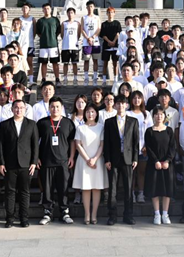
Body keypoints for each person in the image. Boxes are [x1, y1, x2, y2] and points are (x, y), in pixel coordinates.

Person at [0, 99, 39, 228]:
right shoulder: (4, 125)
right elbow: (0, 145)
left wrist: (34, 162)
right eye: (16, 107)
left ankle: (24, 218)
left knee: (24, 192)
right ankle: (10, 218)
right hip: (9, 164)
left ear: (25, 109)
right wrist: (1, 163)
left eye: (21, 107)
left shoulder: (31, 124)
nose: (18, 110)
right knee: (9, 192)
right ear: (12, 109)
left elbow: (35, 144)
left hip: (26, 164)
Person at [36, 97, 76, 225]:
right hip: (46, 161)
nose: (55, 109)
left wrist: (71, 157)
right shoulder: (42, 123)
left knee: (63, 187)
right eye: (52, 106)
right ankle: (48, 212)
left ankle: (64, 212)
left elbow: (72, 141)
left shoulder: (68, 123)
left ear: (62, 108)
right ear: (49, 108)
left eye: (57, 106)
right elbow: (35, 141)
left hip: (63, 161)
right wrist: (36, 157)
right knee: (47, 188)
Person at [103, 95, 139, 225]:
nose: (121, 106)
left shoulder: (133, 121)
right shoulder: (109, 122)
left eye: (123, 103)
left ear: (127, 105)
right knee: (112, 189)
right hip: (113, 159)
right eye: (118, 103)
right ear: (115, 105)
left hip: (128, 159)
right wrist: (107, 159)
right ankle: (112, 216)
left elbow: (136, 142)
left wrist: (135, 158)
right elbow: (106, 142)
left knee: (128, 188)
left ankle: (128, 215)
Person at [73, 103, 107, 224]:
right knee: (86, 188)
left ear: (96, 113)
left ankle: (94, 214)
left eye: (92, 111)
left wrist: (94, 159)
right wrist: (88, 159)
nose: (90, 114)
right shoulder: (80, 128)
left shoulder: (101, 127)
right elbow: (78, 145)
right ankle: (87, 214)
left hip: (97, 160)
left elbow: (102, 145)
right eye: (88, 112)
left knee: (96, 188)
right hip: (84, 160)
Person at [144, 106, 176, 225]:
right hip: (154, 164)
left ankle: (165, 214)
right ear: (153, 116)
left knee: (167, 189)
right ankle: (157, 214)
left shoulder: (169, 130)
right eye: (157, 114)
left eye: (161, 114)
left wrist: (168, 160)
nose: (159, 116)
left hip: (167, 165)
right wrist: (156, 161)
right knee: (155, 189)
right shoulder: (149, 131)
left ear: (164, 116)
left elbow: (172, 147)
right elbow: (149, 148)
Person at [35, 3, 62, 87]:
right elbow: (38, 32)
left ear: (50, 9)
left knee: (55, 63)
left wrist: (52, 37)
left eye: (48, 8)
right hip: (43, 45)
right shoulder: (40, 21)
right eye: (45, 9)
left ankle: (57, 79)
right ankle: (43, 79)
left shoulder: (55, 20)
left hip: (53, 45)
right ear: (42, 10)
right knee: (43, 63)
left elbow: (58, 31)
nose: (46, 10)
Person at [81, 1, 102, 86]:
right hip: (86, 42)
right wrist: (88, 38)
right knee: (86, 60)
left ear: (94, 7)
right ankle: (86, 78)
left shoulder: (97, 17)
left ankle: (95, 78)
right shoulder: (84, 17)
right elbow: (82, 29)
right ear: (86, 8)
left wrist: (93, 37)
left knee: (95, 60)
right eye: (88, 7)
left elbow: (99, 29)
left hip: (95, 42)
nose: (90, 8)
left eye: (91, 6)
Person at [100, 7, 121, 87]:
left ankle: (115, 79)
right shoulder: (104, 24)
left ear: (114, 13)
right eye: (109, 12)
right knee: (105, 62)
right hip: (106, 45)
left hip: (115, 45)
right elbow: (103, 35)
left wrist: (114, 41)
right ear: (106, 14)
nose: (110, 14)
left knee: (115, 63)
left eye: (112, 12)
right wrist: (109, 41)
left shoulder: (117, 23)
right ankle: (104, 80)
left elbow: (118, 33)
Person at [61, 8, 82, 85]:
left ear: (74, 14)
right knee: (65, 63)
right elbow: (62, 35)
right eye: (69, 13)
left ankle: (75, 79)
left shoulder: (77, 23)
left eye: (72, 13)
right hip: (65, 46)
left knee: (74, 63)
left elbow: (78, 34)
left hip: (74, 46)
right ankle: (65, 78)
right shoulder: (64, 23)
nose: (70, 14)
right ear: (67, 14)